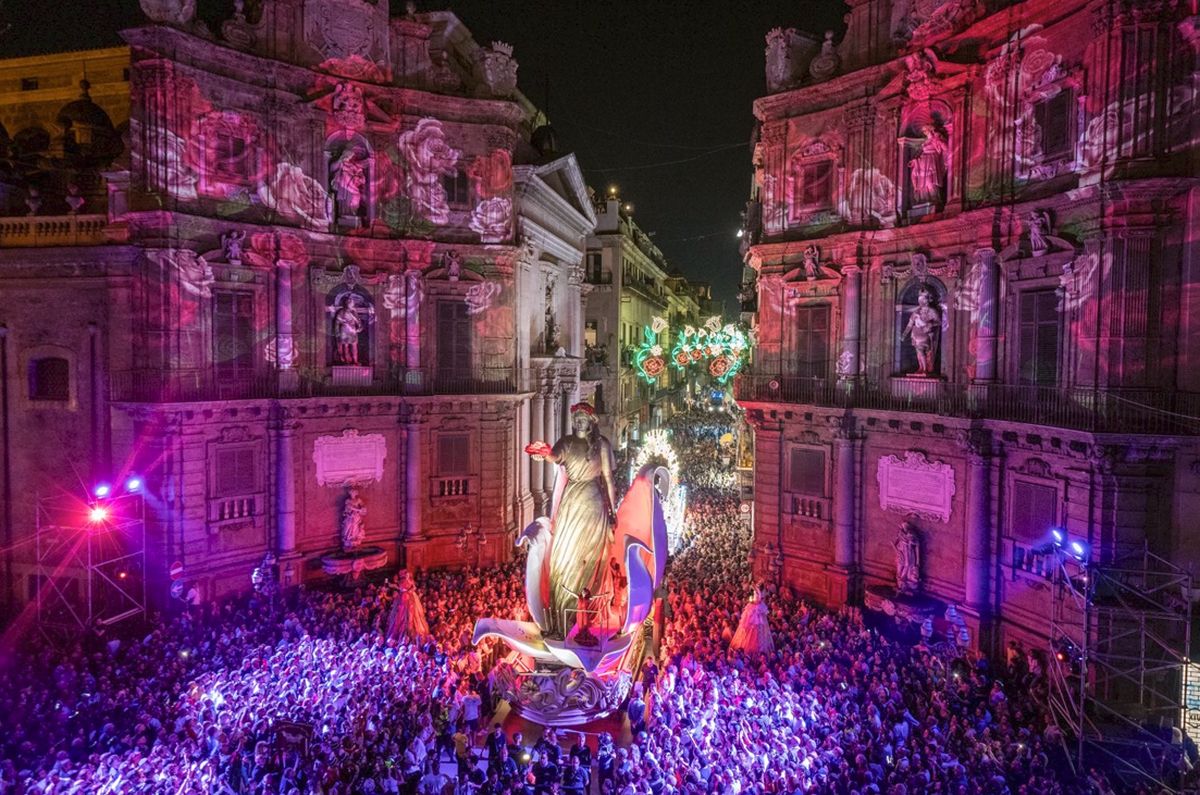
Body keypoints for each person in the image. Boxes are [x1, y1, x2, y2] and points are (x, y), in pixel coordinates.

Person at [524, 402, 617, 638]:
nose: (579, 421)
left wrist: (612, 511)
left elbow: (608, 479)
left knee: (593, 556)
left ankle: (587, 613)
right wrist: (544, 452)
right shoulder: (566, 442)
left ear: (592, 421)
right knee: (563, 556)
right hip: (571, 502)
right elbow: (554, 457)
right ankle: (562, 613)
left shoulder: (602, 445)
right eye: (576, 417)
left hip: (594, 503)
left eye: (583, 417)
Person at [900, 287, 942, 375]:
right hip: (916, 334)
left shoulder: (932, 311)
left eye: (923, 300)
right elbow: (910, 324)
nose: (921, 302)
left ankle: (925, 369)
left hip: (925, 333)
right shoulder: (916, 312)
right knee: (918, 352)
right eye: (920, 300)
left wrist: (930, 324)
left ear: (927, 300)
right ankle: (921, 367)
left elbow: (939, 322)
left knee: (921, 350)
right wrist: (904, 334)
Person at [383, 570, 431, 642]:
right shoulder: (401, 582)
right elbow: (394, 586)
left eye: (407, 574)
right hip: (403, 598)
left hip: (410, 598)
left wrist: (410, 591)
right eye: (405, 575)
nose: (406, 576)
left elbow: (414, 587)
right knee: (401, 614)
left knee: (412, 614)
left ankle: (412, 633)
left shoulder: (411, 581)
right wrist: (386, 580)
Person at [730, 584, 774, 654]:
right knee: (749, 625)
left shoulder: (758, 592)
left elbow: (758, 600)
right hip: (754, 607)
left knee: (755, 625)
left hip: (756, 609)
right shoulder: (756, 591)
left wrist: (752, 602)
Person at [333, 294, 365, 365]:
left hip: (353, 331)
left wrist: (359, 327)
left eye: (353, 303)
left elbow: (358, 321)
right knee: (345, 346)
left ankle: (355, 361)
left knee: (354, 347)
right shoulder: (342, 312)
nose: (352, 304)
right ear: (347, 303)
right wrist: (337, 332)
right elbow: (337, 322)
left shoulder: (354, 312)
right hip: (344, 331)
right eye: (351, 303)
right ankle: (347, 361)